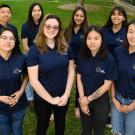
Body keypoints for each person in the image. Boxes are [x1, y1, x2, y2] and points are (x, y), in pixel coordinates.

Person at [27, 14, 75, 135]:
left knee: (60, 125)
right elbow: (33, 80)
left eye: (55, 27)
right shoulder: (34, 50)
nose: (51, 30)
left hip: (63, 96)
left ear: (59, 30)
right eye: (48, 26)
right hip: (43, 98)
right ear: (42, 27)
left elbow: (71, 71)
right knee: (42, 126)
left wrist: (66, 94)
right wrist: (51, 100)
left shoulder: (66, 47)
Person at [76, 25, 117, 135]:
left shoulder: (109, 59)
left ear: (102, 40)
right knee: (85, 130)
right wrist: (82, 100)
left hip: (100, 103)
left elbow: (107, 85)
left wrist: (88, 99)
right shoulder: (81, 56)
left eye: (96, 38)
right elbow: (79, 78)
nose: (92, 42)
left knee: (99, 131)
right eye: (89, 38)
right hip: (84, 98)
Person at [102, 6, 128, 127]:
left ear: (123, 18)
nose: (116, 16)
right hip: (104, 65)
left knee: (116, 91)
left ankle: (116, 115)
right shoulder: (105, 30)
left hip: (121, 67)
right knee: (105, 91)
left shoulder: (127, 32)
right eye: (113, 14)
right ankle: (107, 113)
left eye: (119, 14)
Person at [0, 28, 28, 135]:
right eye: (4, 38)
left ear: (15, 42)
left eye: (12, 39)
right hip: (1, 107)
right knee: (4, 131)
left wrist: (21, 90)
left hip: (19, 104)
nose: (8, 41)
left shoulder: (21, 59)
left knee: (17, 129)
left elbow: (26, 75)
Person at [111, 20, 135, 135]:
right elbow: (112, 77)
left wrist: (131, 107)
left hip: (133, 103)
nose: (133, 36)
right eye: (130, 32)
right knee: (116, 132)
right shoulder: (118, 51)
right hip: (117, 100)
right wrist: (113, 98)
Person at [64, 6, 89, 118]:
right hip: (68, 62)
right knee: (63, 84)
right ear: (73, 16)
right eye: (77, 15)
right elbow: (64, 47)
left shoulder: (87, 31)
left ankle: (77, 106)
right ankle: (60, 105)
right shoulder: (67, 30)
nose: (79, 18)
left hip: (82, 62)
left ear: (84, 17)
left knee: (80, 85)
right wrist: (71, 60)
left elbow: (87, 48)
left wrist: (77, 62)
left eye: (81, 16)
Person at [21, 2, 44, 111]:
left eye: (38, 10)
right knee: (30, 77)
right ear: (31, 12)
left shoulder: (44, 25)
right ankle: (30, 99)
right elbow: (25, 46)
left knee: (41, 76)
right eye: (34, 10)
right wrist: (36, 55)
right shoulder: (25, 26)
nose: (37, 12)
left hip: (43, 53)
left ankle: (40, 95)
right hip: (30, 54)